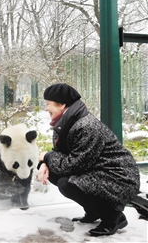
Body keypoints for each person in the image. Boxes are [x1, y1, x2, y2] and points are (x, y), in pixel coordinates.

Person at [37, 83, 140, 237]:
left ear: (63, 105)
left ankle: (114, 217)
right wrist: (44, 163)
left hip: (119, 179)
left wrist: (46, 157)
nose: (45, 108)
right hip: (98, 172)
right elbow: (59, 153)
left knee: (67, 183)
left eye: (48, 104)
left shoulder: (86, 126)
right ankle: (95, 211)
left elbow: (73, 165)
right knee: (55, 174)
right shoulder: (65, 123)